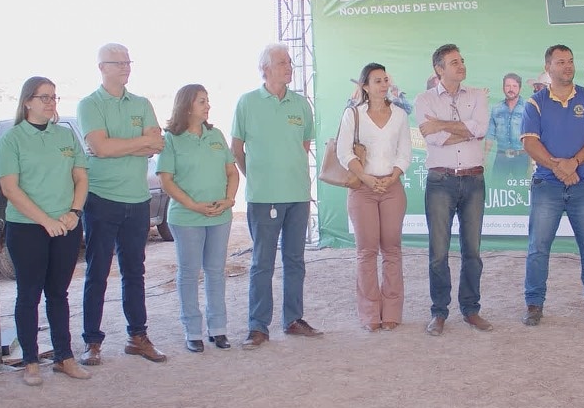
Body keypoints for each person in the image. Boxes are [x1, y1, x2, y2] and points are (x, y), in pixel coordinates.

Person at [0, 77, 92, 385]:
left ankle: (64, 356)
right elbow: (10, 188)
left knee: (58, 294)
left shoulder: (65, 135)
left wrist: (75, 212)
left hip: (66, 226)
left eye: (53, 97)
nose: (50, 103)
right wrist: (45, 221)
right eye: (44, 97)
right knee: (29, 294)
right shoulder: (12, 139)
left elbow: (81, 178)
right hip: (27, 229)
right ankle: (31, 361)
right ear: (27, 102)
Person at [76, 43, 167, 365]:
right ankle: (92, 342)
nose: (126, 67)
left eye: (128, 61)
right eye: (118, 63)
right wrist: (138, 142)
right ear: (102, 67)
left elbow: (156, 145)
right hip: (102, 200)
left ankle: (137, 337)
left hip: (138, 200)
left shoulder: (141, 103)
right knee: (97, 272)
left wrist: (120, 145)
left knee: (134, 272)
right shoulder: (89, 104)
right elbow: (100, 148)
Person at [231, 43, 324, 348]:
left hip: (298, 195)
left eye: (290, 63)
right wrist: (257, 176)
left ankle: (293, 319)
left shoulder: (301, 104)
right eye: (282, 63)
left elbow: (304, 146)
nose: (289, 67)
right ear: (265, 69)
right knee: (262, 262)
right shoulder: (247, 103)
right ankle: (258, 326)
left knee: (295, 259)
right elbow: (236, 148)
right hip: (263, 197)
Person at [520, 45, 584, 326]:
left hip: (583, 185)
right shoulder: (535, 103)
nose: (568, 66)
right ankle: (534, 304)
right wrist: (559, 168)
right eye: (561, 62)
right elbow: (530, 143)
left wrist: (573, 163)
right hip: (546, 185)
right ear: (548, 67)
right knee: (538, 248)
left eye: (571, 61)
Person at [415, 43, 493, 335]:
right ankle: (439, 312)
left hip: (474, 180)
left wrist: (442, 124)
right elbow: (433, 138)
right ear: (439, 69)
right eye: (454, 62)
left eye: (462, 60)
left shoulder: (477, 95)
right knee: (438, 252)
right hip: (441, 181)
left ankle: (471, 310)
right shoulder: (424, 100)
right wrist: (465, 129)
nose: (461, 66)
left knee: (472, 251)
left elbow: (480, 129)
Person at [158, 84, 239, 352]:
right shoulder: (171, 139)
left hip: (219, 216)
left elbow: (232, 172)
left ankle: (218, 329)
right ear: (187, 106)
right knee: (189, 273)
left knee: (216, 272)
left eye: (208, 100)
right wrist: (193, 205)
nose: (208, 106)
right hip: (186, 218)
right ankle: (192, 331)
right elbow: (166, 180)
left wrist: (229, 200)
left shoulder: (216, 135)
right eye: (202, 101)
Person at [337, 63, 412, 331]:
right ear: (365, 87)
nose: (383, 85)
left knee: (392, 249)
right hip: (362, 189)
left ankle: (391, 311)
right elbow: (344, 152)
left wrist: (392, 177)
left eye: (385, 80)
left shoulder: (400, 115)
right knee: (366, 251)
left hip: (392, 188)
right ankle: (370, 313)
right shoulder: (353, 114)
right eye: (377, 81)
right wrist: (367, 178)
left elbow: (405, 153)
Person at [485, 72, 527, 178]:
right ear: (503, 88)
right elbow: (490, 134)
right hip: (501, 157)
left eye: (514, 86)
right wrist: (485, 156)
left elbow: (533, 136)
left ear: (520, 88)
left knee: (521, 187)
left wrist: (533, 163)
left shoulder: (528, 108)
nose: (511, 89)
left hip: (522, 158)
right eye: (508, 86)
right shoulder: (496, 108)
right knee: (497, 186)